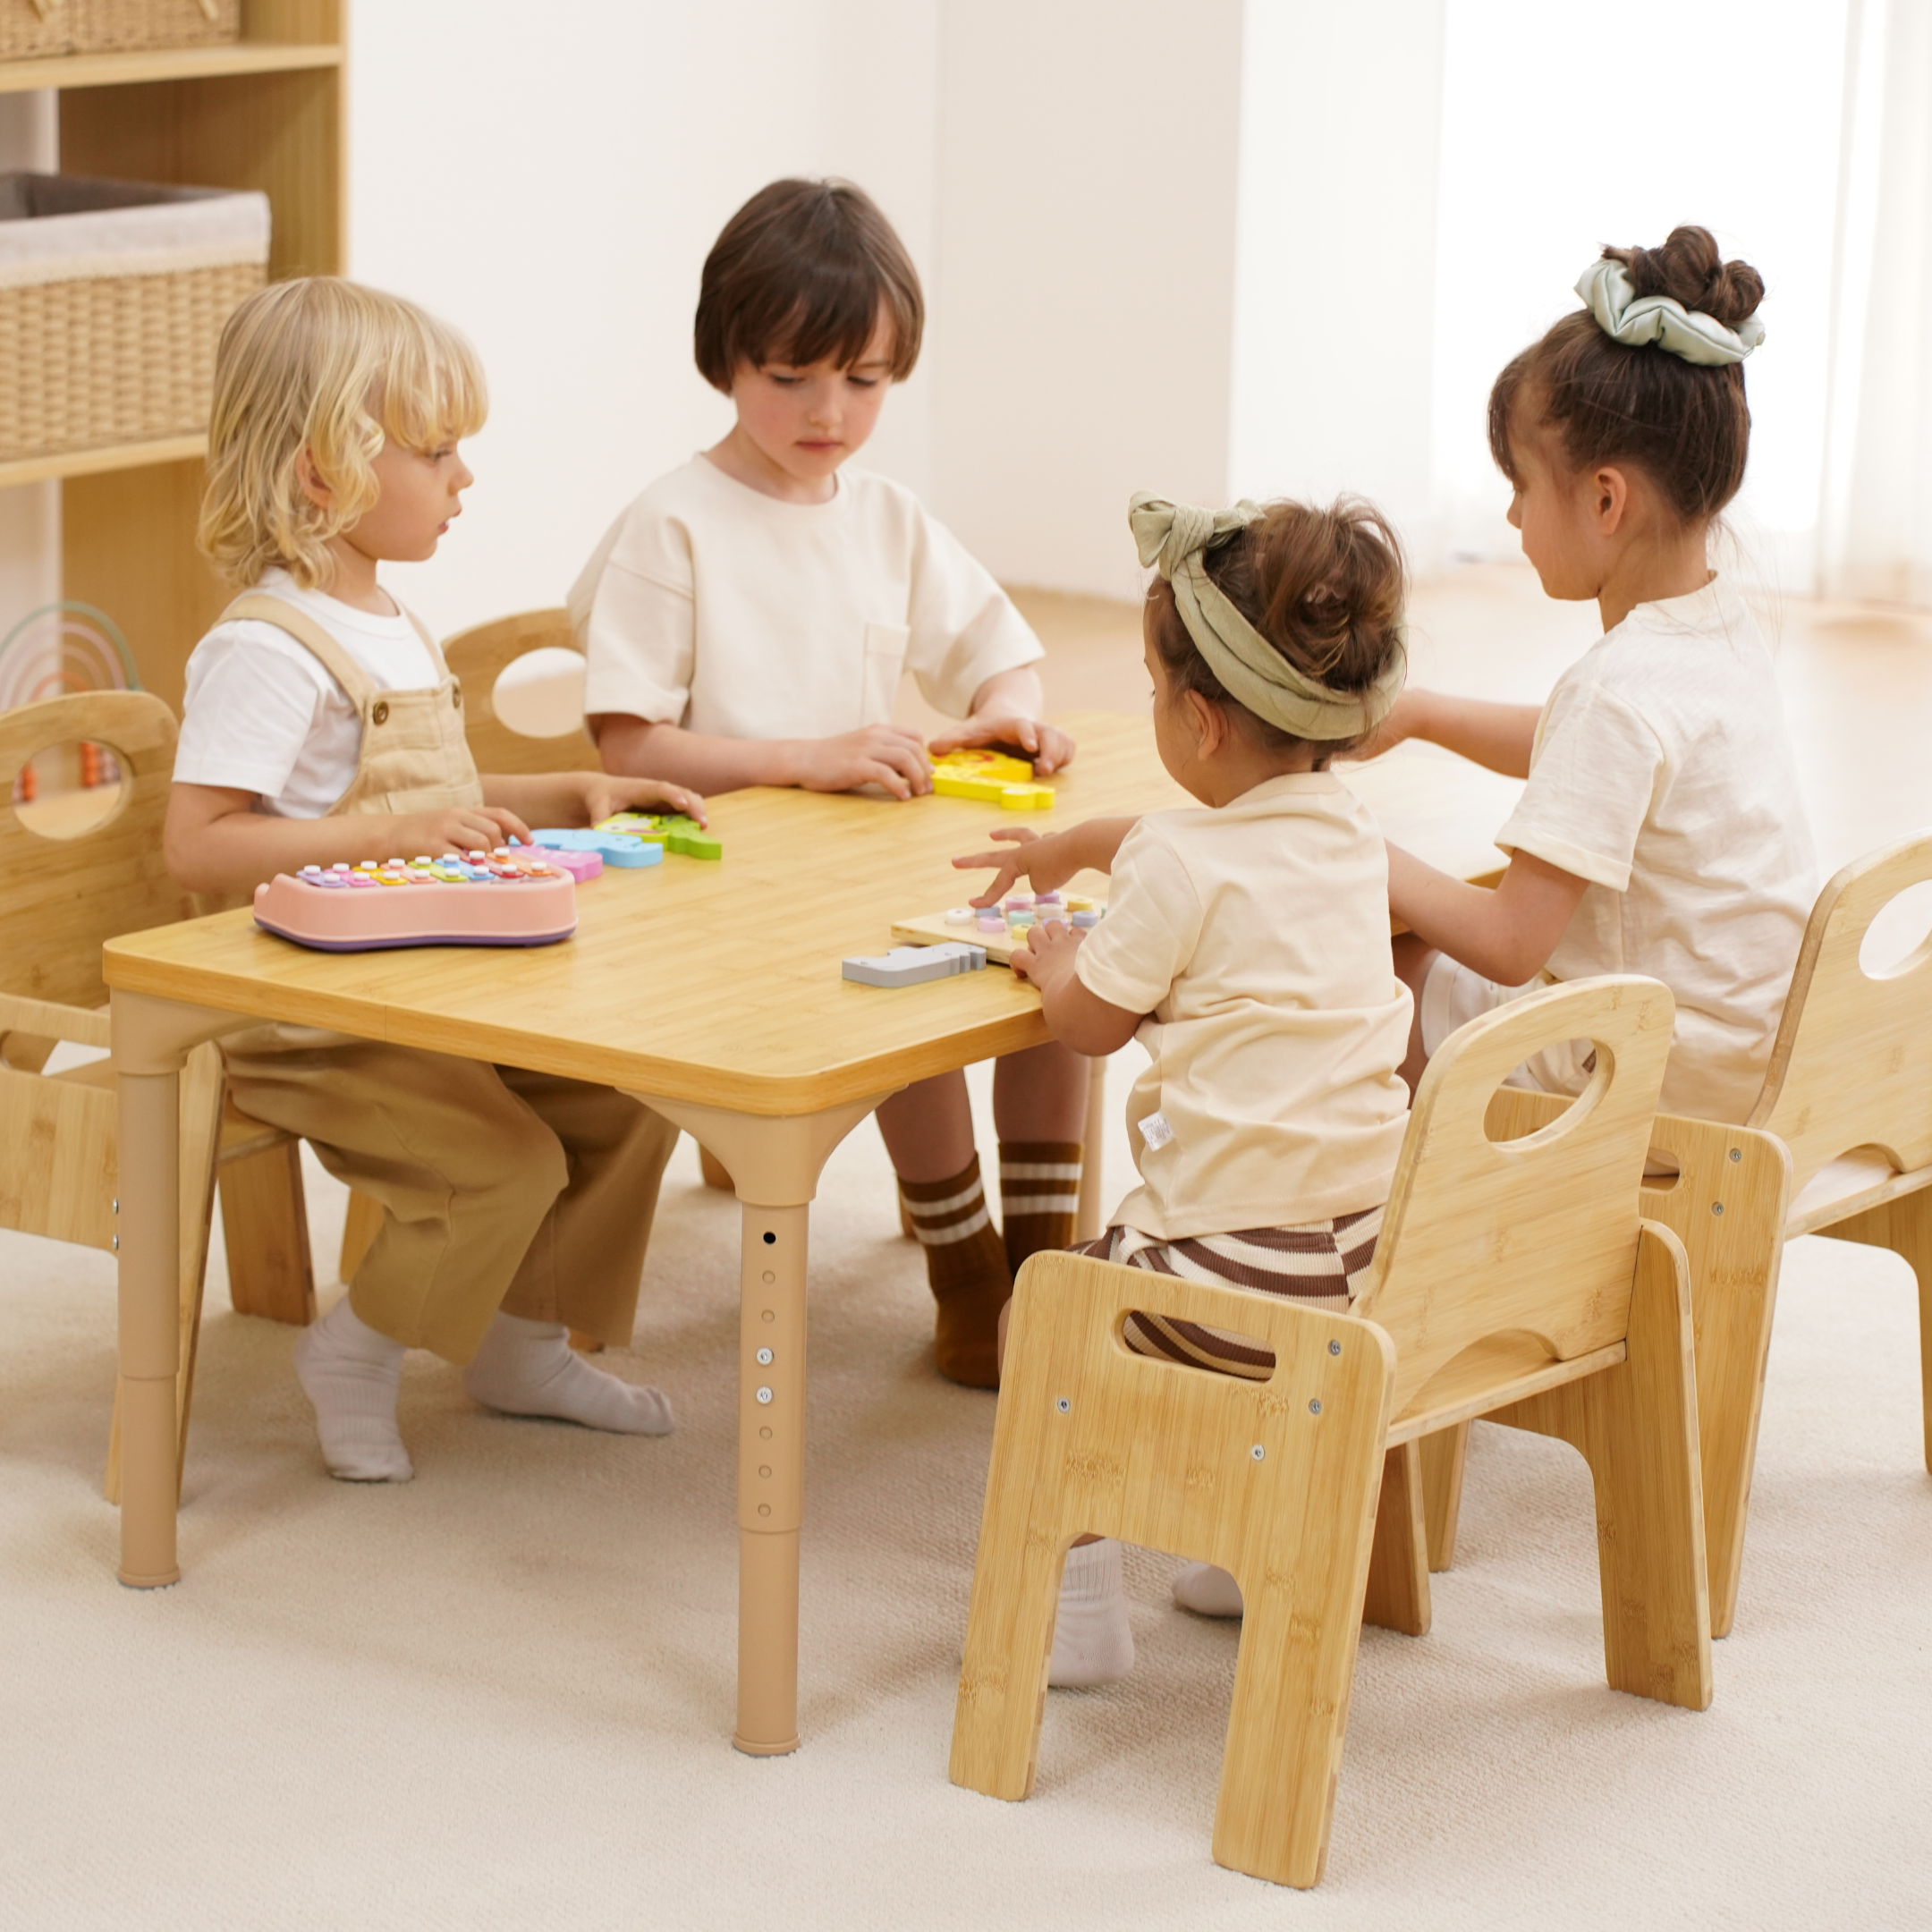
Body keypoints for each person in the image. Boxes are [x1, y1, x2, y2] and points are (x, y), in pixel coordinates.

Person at [165, 277, 707, 1483]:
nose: (465, 479)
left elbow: (438, 803)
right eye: (439, 452)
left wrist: (570, 797)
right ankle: (353, 1351)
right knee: (502, 1164)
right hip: (311, 1017)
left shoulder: (391, 619)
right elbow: (199, 849)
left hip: (438, 982)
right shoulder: (264, 646)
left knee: (621, 1097)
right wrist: (386, 834)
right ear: (323, 474)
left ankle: (519, 1345)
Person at [572, 177, 1089, 1389]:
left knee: (1061, 952)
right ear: (726, 359)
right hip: (728, 883)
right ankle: (966, 1275)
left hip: (860, 856)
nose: (829, 412)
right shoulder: (675, 525)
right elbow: (628, 747)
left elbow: (1000, 650)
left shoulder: (887, 516)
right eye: (793, 376)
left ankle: (1041, 1269)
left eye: (863, 380)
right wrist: (804, 758)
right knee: (913, 993)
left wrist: (1010, 718)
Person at [954, 491, 1413, 1685]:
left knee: (1048, 1318)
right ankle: (1233, 1551)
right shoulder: (1353, 832)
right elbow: (1202, 846)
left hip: (1237, 1269)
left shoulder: (1173, 863)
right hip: (1370, 1257)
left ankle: (1083, 1610)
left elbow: (1091, 1024)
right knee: (1224, 1305)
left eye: (1155, 697)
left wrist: (1056, 956)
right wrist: (1082, 842)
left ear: (1199, 723)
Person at [1373, 226, 1816, 1122]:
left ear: (1605, 499)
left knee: (1387, 966)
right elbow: (1595, 759)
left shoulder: (1614, 690)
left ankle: (1412, 1236)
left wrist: (1356, 852)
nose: (1510, 514)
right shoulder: (1720, 631)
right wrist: (1419, 715)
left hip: (1644, 1087)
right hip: (1749, 1065)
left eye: (1522, 488)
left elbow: (1506, 942)